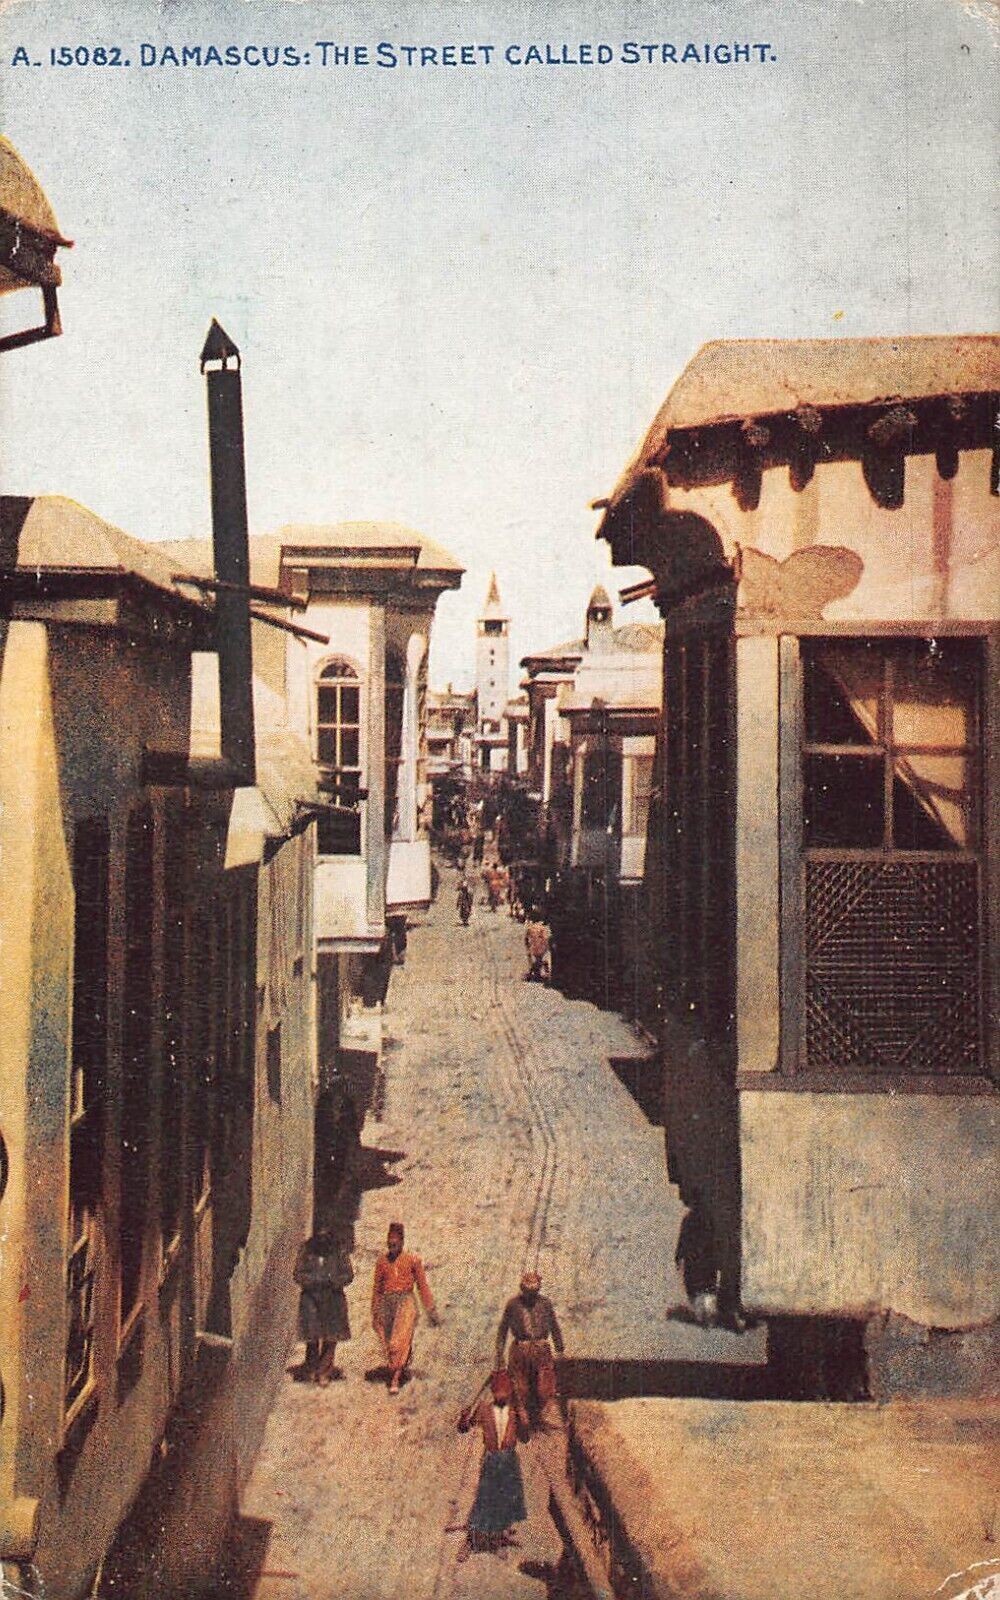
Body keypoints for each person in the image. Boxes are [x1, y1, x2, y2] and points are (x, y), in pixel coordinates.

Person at [457, 1370, 527, 1561]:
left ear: (510, 1393)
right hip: (491, 1459)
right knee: (484, 1498)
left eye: (505, 1394)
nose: (501, 1397)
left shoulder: (515, 1412)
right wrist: (463, 1418)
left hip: (509, 1459)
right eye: (498, 1393)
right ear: (493, 1393)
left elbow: (525, 1438)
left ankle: (496, 1542)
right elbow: (464, 1428)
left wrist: (524, 1419)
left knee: (504, 1500)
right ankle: (471, 1541)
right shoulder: (483, 1409)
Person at [371, 1221, 441, 1394]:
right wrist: (375, 1310)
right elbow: (377, 1288)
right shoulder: (382, 1262)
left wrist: (430, 1309)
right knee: (388, 1341)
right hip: (387, 1303)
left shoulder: (413, 1260)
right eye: (390, 1243)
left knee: (399, 1341)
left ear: (402, 1242)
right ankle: (398, 1368)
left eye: (395, 1243)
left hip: (406, 1302)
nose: (392, 1246)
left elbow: (422, 1286)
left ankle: (395, 1378)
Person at [495, 1270, 564, 1434]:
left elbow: (554, 1326)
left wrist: (559, 1348)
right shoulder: (513, 1305)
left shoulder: (546, 1304)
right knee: (521, 1387)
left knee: (544, 1387)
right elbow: (503, 1330)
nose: (531, 1294)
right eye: (528, 1291)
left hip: (542, 1349)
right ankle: (522, 1418)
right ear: (522, 1289)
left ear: (538, 1289)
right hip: (521, 1349)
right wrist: (499, 1354)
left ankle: (540, 1418)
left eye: (534, 1291)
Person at [293, 1227, 353, 1385]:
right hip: (311, 1298)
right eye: (319, 1237)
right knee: (312, 1336)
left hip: (333, 1298)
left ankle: (324, 1371)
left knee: (331, 1337)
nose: (322, 1241)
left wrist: (333, 1281)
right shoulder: (306, 1250)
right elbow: (298, 1274)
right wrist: (314, 1281)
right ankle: (312, 1368)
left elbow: (348, 1275)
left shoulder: (339, 1251)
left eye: (325, 1237)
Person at [675, 1194, 719, 1326]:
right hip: (704, 1260)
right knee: (705, 1286)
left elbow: (682, 1240)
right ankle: (707, 1314)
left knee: (697, 1286)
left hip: (696, 1260)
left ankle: (704, 1314)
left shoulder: (689, 1220)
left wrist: (679, 1256)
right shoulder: (707, 1219)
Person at [524, 911, 551, 983]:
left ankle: (534, 973)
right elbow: (545, 938)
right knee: (540, 960)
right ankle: (545, 973)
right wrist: (547, 946)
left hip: (534, 947)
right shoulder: (542, 928)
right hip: (541, 947)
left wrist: (528, 947)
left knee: (537, 960)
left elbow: (526, 939)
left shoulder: (530, 928)